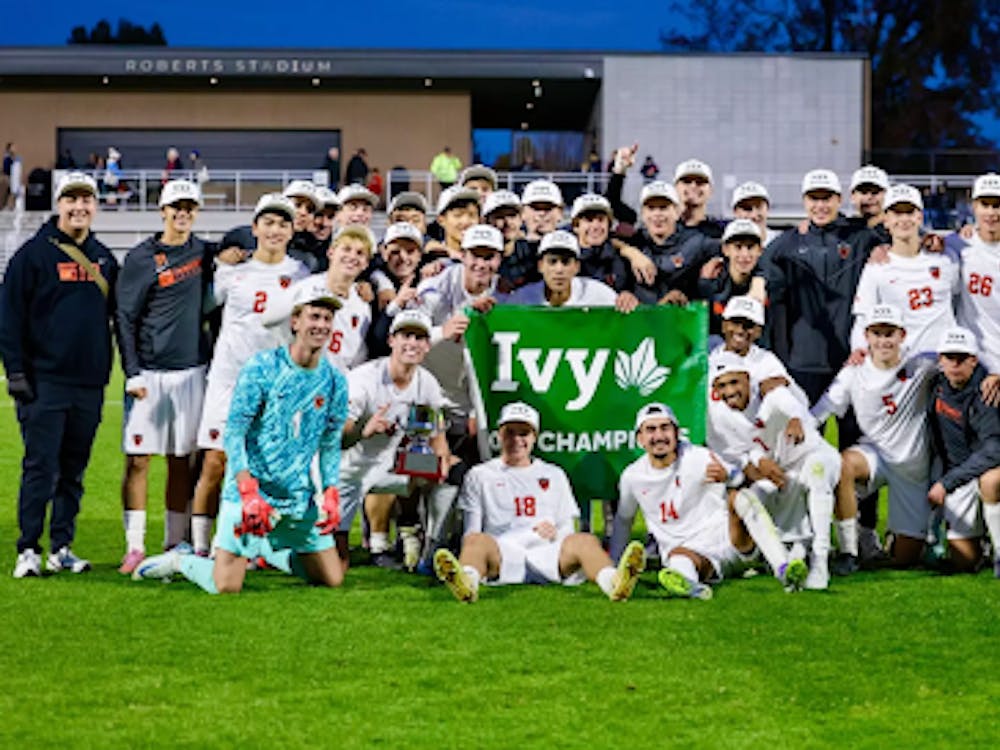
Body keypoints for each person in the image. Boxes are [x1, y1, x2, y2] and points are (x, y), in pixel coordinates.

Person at [133, 283, 349, 593]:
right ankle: (180, 561)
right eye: (314, 316)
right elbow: (234, 433)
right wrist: (248, 491)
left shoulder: (334, 380)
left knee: (332, 578)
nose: (321, 325)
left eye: (328, 319)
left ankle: (271, 551)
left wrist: (330, 491)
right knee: (225, 587)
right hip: (252, 496)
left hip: (298, 497)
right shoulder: (261, 368)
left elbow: (329, 442)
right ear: (295, 321)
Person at [1, 172, 119, 578]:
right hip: (44, 382)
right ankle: (28, 548)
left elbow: (116, 317)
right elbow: (9, 317)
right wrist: (15, 371)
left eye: (87, 200)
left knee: (73, 470)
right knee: (40, 467)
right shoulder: (32, 255)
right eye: (71, 199)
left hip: (89, 384)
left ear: (96, 207)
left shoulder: (105, 257)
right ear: (58, 204)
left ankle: (61, 547)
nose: (79, 207)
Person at [189, 194, 311, 557]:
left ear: (291, 231)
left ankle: (253, 544)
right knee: (215, 461)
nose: (275, 230)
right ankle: (200, 546)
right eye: (268, 222)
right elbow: (202, 308)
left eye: (283, 224)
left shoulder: (300, 275)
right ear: (255, 228)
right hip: (228, 380)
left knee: (263, 467)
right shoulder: (230, 271)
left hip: (274, 385)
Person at [433, 402, 646, 603]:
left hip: (547, 552)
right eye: (510, 432)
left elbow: (567, 529)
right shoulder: (479, 475)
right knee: (475, 541)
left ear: (534, 436)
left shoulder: (554, 474)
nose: (517, 440)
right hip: (502, 551)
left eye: (524, 433)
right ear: (499, 434)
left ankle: (613, 583)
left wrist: (555, 534)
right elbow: (471, 530)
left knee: (585, 540)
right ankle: (468, 582)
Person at [611, 403, 807, 599]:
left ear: (677, 432)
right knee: (678, 558)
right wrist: (614, 565)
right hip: (692, 554)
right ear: (640, 439)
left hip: (731, 540)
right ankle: (694, 588)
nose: (659, 436)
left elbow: (737, 477)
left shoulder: (698, 456)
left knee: (742, 498)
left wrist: (727, 477)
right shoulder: (633, 477)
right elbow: (623, 520)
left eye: (665, 428)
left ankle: (783, 567)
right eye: (651, 430)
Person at [115, 179, 213, 573]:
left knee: (180, 461)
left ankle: (174, 541)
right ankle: (134, 546)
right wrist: (132, 371)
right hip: (149, 376)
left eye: (190, 207)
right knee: (138, 460)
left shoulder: (204, 252)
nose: (183, 213)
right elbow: (124, 316)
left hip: (190, 372)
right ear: (163, 210)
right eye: (177, 206)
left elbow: (244, 240)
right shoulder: (141, 257)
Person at [812, 305, 939, 572]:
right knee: (842, 463)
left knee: (905, 559)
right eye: (877, 333)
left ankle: (909, 537)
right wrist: (795, 428)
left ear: (902, 335)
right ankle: (849, 551)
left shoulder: (922, 365)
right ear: (867, 336)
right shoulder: (853, 371)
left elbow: (960, 364)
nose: (883, 341)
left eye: (889, 333)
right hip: (875, 455)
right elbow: (821, 411)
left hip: (911, 468)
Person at [709, 352, 839, 590]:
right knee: (750, 499)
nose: (729, 391)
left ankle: (821, 563)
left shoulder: (772, 396)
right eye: (722, 386)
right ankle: (785, 561)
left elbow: (791, 406)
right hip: (786, 472)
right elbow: (752, 447)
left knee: (816, 470)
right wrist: (760, 463)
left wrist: (796, 419)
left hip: (817, 458)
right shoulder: (729, 417)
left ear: (748, 379)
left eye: (734, 382)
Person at [336, 310, 454, 568]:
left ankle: (427, 545)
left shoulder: (427, 384)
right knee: (334, 566)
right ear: (391, 340)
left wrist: (442, 463)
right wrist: (364, 429)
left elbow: (438, 438)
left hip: (390, 465)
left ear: (427, 346)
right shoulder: (363, 379)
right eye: (406, 335)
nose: (412, 343)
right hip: (346, 469)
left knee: (449, 470)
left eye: (420, 338)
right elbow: (336, 439)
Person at [850, 184, 959, 357]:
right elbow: (863, 316)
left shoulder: (947, 258)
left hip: (944, 363)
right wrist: (859, 350)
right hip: (902, 364)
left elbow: (962, 300)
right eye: (897, 213)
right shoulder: (877, 267)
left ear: (920, 217)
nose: (904, 219)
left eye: (909, 212)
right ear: (886, 220)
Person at [925, 327, 1000, 576]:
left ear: (974, 360)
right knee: (963, 561)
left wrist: (947, 483)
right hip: (958, 475)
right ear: (940, 360)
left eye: (961, 359)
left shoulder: (988, 393)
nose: (954, 365)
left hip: (982, 470)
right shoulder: (936, 385)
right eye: (949, 358)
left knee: (991, 482)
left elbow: (993, 451)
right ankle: (982, 542)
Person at [502, 230, 638, 313]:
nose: (559, 270)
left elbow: (631, 320)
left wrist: (628, 302)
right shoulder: (521, 299)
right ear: (540, 266)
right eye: (552, 262)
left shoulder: (599, 294)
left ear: (577, 267)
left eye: (566, 262)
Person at [956, 173, 1000, 374]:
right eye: (985, 204)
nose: (991, 212)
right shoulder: (958, 245)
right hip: (969, 361)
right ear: (974, 206)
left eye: (997, 205)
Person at [699, 219, 765, 339]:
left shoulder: (770, 280)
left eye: (750, 247)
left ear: (760, 250)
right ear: (725, 250)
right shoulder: (711, 282)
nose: (744, 254)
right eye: (738, 247)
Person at [673, 158, 723, 238]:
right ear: (675, 188)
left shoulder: (720, 234)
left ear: (711, 190)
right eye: (687, 181)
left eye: (700, 182)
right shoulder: (665, 231)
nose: (693, 186)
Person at [731, 181, 781, 247]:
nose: (754, 215)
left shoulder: (782, 243)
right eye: (747, 208)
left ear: (767, 209)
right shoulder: (727, 246)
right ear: (735, 213)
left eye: (759, 206)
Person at [849, 165, 890, 234]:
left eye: (875, 192)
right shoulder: (843, 231)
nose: (869, 197)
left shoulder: (897, 229)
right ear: (852, 196)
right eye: (864, 192)